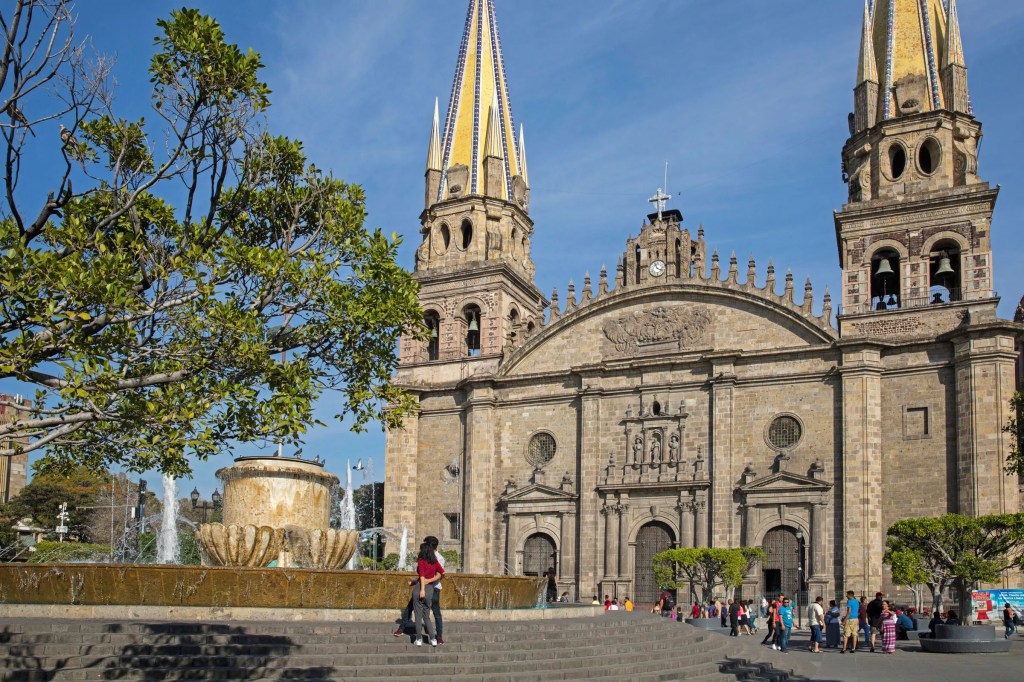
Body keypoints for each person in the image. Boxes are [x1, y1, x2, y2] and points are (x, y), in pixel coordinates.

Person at [393, 535, 446, 644]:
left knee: (434, 612)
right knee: (411, 608)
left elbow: (440, 575)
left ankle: (437, 636)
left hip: (433, 588)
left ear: (429, 545)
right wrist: (415, 581)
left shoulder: (437, 558)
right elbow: (423, 575)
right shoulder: (427, 556)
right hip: (424, 586)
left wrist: (426, 581)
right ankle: (403, 628)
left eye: (425, 543)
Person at [411, 542, 444, 646]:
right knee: (426, 616)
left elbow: (422, 575)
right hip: (430, 589)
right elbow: (441, 573)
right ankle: (433, 639)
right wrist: (430, 580)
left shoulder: (421, 560)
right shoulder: (434, 561)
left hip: (420, 589)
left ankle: (419, 639)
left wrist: (422, 590)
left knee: (418, 616)